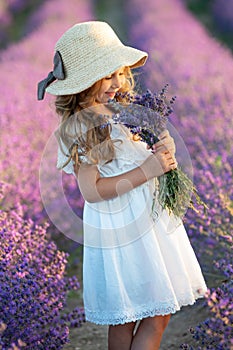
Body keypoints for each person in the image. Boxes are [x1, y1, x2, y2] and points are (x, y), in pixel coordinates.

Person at [38, 21, 207, 350]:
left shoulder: (122, 112)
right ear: (85, 83)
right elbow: (92, 191)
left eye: (120, 73)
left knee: (146, 314)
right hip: (122, 229)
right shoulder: (86, 126)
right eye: (108, 75)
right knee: (131, 317)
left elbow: (140, 155)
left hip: (148, 222)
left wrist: (162, 147)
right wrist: (148, 169)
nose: (118, 82)